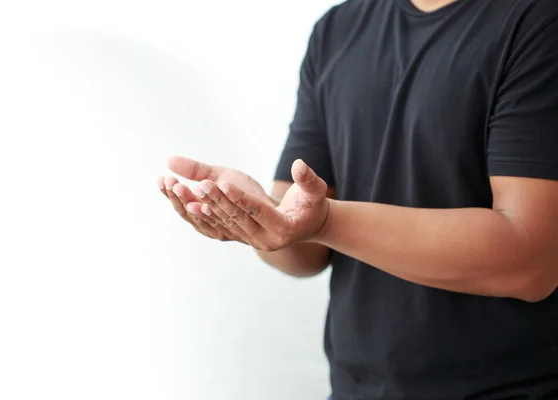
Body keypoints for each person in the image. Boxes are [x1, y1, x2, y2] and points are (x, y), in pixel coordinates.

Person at [157, 0, 558, 398]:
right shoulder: (336, 30)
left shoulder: (539, 21)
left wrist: (325, 222)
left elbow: (530, 261)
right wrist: (256, 217)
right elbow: (304, 252)